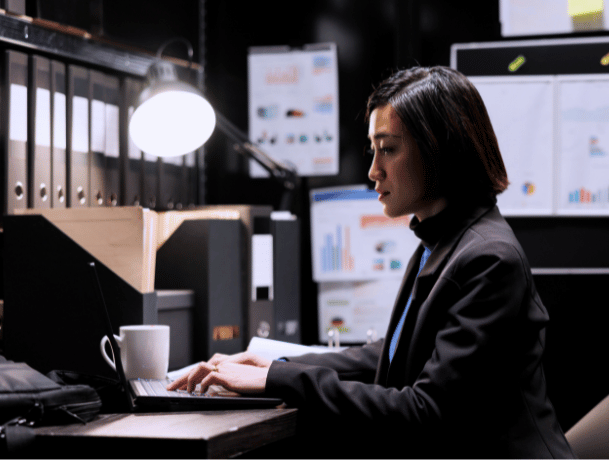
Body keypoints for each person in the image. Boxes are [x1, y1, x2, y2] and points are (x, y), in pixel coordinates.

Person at [169, 66, 574, 458]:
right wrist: (277, 365)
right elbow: (394, 354)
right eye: (373, 149)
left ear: (438, 150)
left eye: (388, 149)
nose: (373, 170)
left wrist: (281, 378)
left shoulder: (489, 259)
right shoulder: (444, 240)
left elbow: (427, 410)